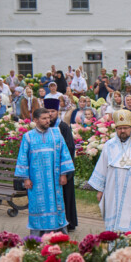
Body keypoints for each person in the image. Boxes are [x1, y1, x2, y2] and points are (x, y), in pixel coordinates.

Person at [87, 109, 131, 232]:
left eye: (125, 128)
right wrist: (100, 190)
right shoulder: (109, 145)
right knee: (114, 221)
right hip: (113, 191)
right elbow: (102, 167)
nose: (122, 131)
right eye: (119, 128)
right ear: (116, 129)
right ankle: (114, 247)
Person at [15, 108, 74, 236]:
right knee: (37, 205)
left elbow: (64, 153)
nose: (48, 121)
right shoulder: (28, 137)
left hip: (54, 180)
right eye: (44, 118)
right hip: (36, 181)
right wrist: (26, 178)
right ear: (35, 120)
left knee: (56, 203)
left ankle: (58, 233)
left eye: (49, 118)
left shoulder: (56, 134)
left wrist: (63, 174)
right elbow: (23, 158)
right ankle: (38, 236)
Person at [42, 98, 78, 232]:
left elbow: (69, 148)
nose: (50, 114)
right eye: (48, 111)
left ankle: (68, 223)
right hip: (47, 169)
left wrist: (65, 171)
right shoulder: (43, 127)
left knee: (65, 196)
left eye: (53, 111)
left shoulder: (62, 127)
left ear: (57, 112)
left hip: (62, 168)